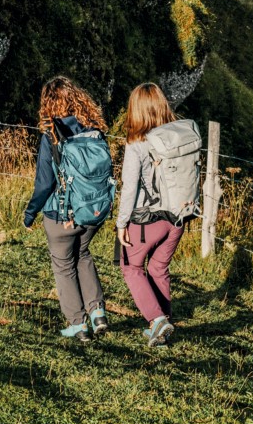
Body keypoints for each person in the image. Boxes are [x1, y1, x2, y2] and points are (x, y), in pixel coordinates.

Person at [22, 76, 116, 343]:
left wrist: (30, 214)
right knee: (83, 254)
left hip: (61, 214)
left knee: (64, 265)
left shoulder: (51, 135)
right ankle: (97, 312)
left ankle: (78, 324)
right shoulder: (94, 129)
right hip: (93, 210)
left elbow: (44, 183)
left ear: (47, 104)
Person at [116, 82, 201, 347]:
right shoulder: (177, 137)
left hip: (147, 220)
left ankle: (156, 320)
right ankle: (163, 324)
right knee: (158, 268)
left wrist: (121, 223)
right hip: (177, 217)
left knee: (130, 267)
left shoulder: (137, 144)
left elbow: (130, 188)